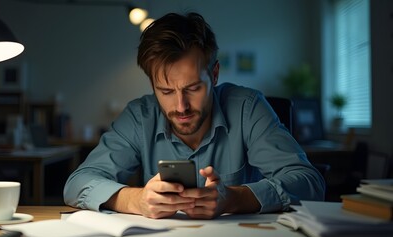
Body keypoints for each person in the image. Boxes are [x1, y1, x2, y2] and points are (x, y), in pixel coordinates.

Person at [64, 12, 325, 219]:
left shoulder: (248, 107)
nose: (181, 106)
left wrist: (234, 198)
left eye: (193, 88)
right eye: (166, 91)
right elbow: (77, 183)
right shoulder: (139, 116)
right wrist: (137, 200)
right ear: (152, 84)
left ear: (214, 75)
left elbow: (310, 183)